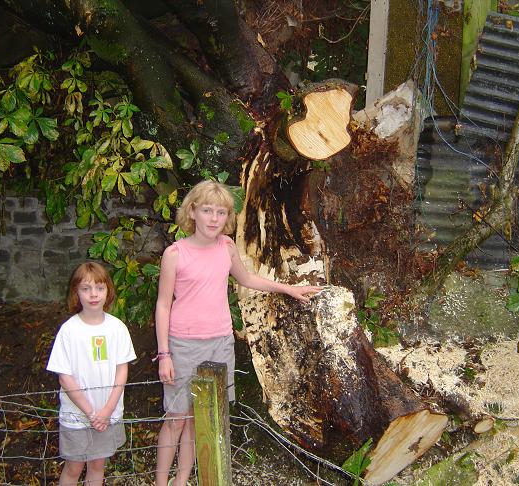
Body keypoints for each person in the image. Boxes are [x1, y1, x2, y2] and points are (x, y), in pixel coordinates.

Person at [154, 180, 321, 486]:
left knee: (199, 419)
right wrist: (164, 354)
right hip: (183, 344)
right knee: (176, 419)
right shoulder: (175, 254)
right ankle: (161, 482)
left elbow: (247, 278)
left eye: (220, 212)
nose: (214, 218)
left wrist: (289, 288)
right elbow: (163, 306)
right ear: (192, 212)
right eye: (207, 210)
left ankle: (181, 480)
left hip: (220, 342)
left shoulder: (227, 247)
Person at [47, 262, 136, 486]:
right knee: (74, 467)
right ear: (76, 292)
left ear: (108, 291)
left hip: (108, 414)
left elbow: (121, 370)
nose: (93, 294)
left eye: (99, 287)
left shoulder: (117, 328)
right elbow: (64, 377)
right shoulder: (69, 330)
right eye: (86, 289)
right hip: (77, 416)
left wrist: (106, 411)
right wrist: (90, 412)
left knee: (98, 465)